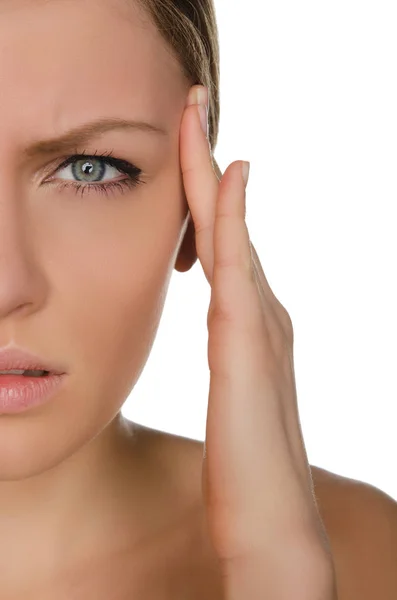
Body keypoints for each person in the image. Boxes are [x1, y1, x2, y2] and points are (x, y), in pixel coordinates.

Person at [0, 0, 395, 598]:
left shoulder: (364, 553)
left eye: (89, 170)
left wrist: (277, 568)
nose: (8, 285)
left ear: (194, 201)